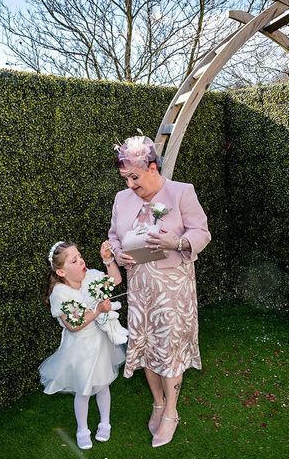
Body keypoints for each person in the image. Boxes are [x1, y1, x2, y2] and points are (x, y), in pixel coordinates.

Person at [108, 135, 211, 448]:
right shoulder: (121, 199)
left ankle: (171, 411)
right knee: (148, 347)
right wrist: (118, 253)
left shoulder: (181, 192)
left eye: (135, 177)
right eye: (125, 178)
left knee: (169, 350)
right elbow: (113, 236)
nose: (130, 185)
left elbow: (202, 233)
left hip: (173, 289)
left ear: (152, 167)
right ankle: (157, 402)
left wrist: (175, 243)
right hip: (140, 289)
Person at [38, 240, 126, 450]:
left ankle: (105, 422)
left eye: (80, 256)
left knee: (103, 384)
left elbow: (116, 279)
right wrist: (97, 311)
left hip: (100, 343)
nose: (81, 261)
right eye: (74, 260)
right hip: (79, 349)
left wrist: (108, 259)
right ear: (61, 272)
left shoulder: (92, 277)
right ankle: (82, 429)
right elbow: (73, 325)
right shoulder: (60, 294)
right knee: (84, 390)